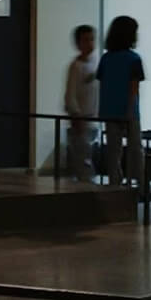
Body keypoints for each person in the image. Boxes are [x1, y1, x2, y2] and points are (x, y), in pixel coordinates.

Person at [96, 16, 145, 187]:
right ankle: (140, 183)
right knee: (135, 149)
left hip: (109, 110)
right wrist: (130, 110)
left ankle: (114, 183)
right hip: (129, 111)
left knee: (113, 151)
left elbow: (102, 86)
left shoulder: (106, 58)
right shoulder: (134, 59)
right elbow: (133, 89)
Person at [63, 24, 97, 182]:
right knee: (82, 155)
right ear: (78, 43)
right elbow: (70, 94)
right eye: (85, 40)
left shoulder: (94, 64)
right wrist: (76, 114)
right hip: (81, 117)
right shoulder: (75, 66)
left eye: (92, 39)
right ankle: (85, 185)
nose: (90, 43)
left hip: (91, 117)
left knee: (87, 153)